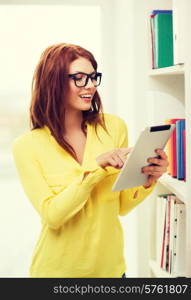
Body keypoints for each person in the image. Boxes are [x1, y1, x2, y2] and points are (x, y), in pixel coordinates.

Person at [12, 43, 168, 278]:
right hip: (55, 275)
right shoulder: (27, 146)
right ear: (53, 82)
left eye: (94, 77)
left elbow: (123, 205)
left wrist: (149, 177)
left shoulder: (114, 127)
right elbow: (53, 216)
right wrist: (97, 169)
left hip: (111, 273)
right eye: (80, 78)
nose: (91, 85)